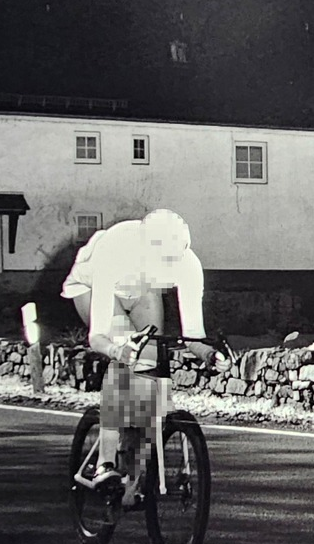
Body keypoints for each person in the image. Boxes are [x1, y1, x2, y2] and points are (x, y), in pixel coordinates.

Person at [61, 209, 230, 499]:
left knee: (149, 366)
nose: (170, 270)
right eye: (163, 264)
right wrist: (118, 350)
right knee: (125, 363)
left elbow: (194, 335)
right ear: (146, 253)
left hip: (141, 291)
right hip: (92, 287)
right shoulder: (115, 251)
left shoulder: (188, 263)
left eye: (172, 265)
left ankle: (132, 475)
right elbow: (97, 336)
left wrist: (210, 354)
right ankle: (104, 462)